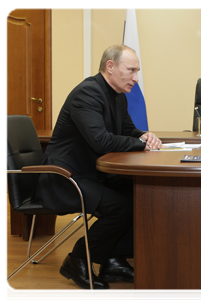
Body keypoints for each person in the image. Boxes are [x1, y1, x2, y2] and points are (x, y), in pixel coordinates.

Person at [33, 44, 162, 290]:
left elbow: (126, 131)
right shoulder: (87, 93)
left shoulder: (118, 96)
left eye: (137, 71)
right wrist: (139, 144)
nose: (136, 78)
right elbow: (100, 141)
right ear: (110, 66)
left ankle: (113, 259)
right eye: (131, 70)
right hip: (64, 178)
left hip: (92, 174)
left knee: (139, 193)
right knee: (121, 208)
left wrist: (144, 135)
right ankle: (77, 259)